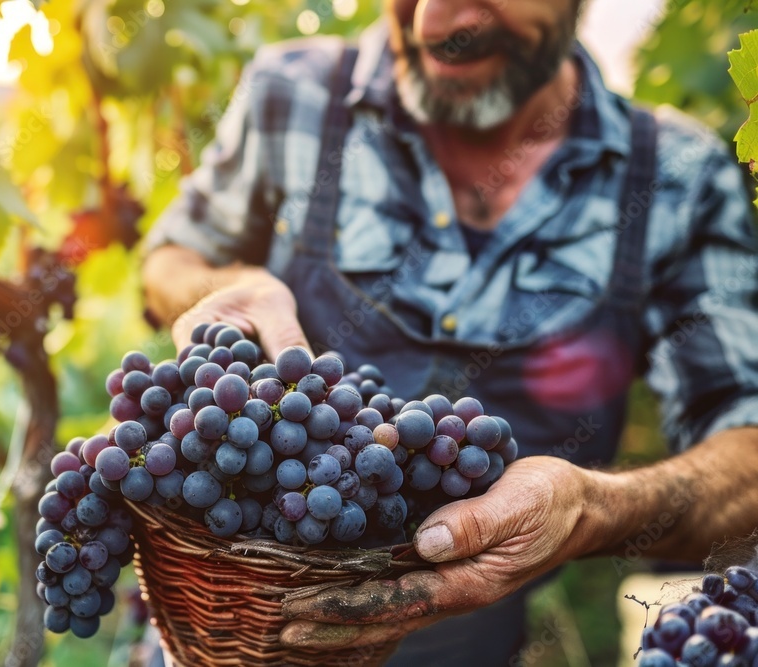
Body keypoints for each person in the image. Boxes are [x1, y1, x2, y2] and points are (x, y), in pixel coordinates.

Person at [140, 0, 758, 663]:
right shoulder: (292, 94)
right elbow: (171, 258)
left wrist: (592, 507)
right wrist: (220, 291)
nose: (431, 22)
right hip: (218, 640)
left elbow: (748, 455)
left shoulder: (677, 180)